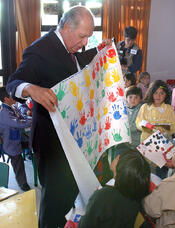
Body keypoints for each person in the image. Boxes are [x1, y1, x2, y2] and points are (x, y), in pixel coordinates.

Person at [6, 6, 111, 228]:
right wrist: (31, 89)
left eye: (89, 37)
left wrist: (99, 50)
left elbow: (75, 61)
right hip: (52, 143)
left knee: (70, 193)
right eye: (83, 36)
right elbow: (12, 83)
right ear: (65, 27)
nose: (85, 43)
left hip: (73, 139)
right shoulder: (39, 50)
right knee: (54, 203)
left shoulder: (69, 48)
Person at [78, 150, 151, 228]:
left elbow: (84, 225)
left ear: (120, 171)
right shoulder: (138, 195)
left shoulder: (102, 197)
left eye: (120, 158)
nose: (117, 156)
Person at [0, 87, 32, 191]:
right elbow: (17, 123)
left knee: (35, 141)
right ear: (6, 99)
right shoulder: (3, 112)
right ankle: (22, 183)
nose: (14, 97)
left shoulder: (12, 107)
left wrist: (28, 119)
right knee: (18, 162)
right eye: (11, 95)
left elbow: (22, 118)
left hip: (18, 138)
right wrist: (32, 121)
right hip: (10, 143)